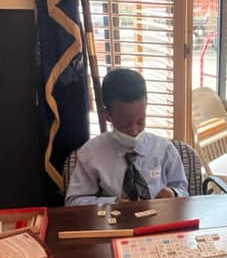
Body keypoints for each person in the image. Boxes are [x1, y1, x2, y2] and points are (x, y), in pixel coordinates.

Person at [65, 68, 188, 205]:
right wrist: (111, 203)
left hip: (159, 222)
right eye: (125, 124)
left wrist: (173, 192)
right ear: (106, 115)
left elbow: (183, 190)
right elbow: (73, 202)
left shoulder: (164, 149)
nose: (134, 131)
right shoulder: (91, 154)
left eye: (140, 121)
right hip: (113, 223)